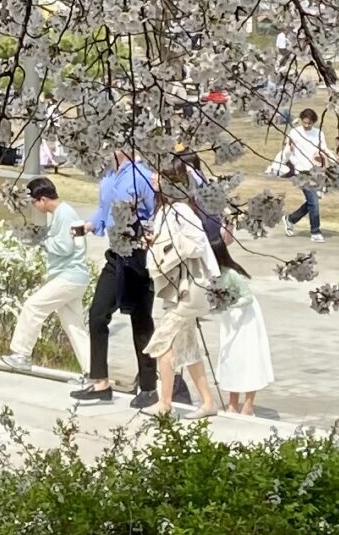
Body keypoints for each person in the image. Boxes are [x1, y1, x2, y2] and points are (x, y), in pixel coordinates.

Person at [72, 143, 159, 408]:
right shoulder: (108, 176)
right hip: (115, 254)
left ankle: (148, 386)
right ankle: (100, 382)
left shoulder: (142, 175)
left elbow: (155, 211)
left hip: (138, 254)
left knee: (140, 320)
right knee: (97, 314)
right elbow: (104, 209)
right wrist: (89, 225)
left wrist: (152, 235)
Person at [147, 173, 222, 418]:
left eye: (158, 177)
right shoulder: (164, 211)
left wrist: (171, 243)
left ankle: (165, 402)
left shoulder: (181, 210)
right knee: (188, 346)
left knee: (163, 341)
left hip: (189, 287)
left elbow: (199, 243)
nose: (152, 178)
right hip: (176, 287)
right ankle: (208, 402)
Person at [4, 175, 91, 373]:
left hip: (68, 276)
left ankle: (21, 353)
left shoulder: (64, 213)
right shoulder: (63, 214)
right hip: (73, 277)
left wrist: (42, 240)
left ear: (42, 199)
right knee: (75, 328)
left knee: (33, 306)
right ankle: (93, 373)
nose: (34, 206)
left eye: (34, 202)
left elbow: (65, 247)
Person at [211, 247, 274, 417]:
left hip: (246, 319)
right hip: (230, 319)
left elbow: (248, 297)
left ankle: (248, 405)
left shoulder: (231, 274)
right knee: (230, 358)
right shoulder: (212, 274)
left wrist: (230, 304)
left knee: (248, 358)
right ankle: (232, 403)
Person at [273, 108, 326, 239]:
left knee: (312, 201)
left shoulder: (319, 133)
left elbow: (323, 149)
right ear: (301, 120)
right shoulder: (294, 132)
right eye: (305, 122)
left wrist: (323, 158)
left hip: (315, 171)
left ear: (314, 122)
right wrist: (289, 150)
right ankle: (315, 231)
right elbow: (286, 152)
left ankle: (290, 219)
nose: (307, 125)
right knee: (314, 202)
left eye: (309, 123)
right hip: (300, 172)